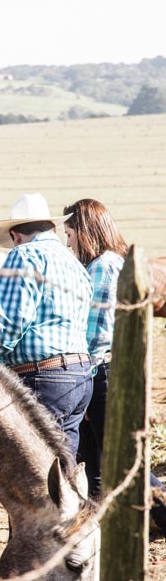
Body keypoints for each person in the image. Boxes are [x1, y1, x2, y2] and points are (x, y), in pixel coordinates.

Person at [0, 193, 94, 581]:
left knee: (30, 486)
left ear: (15, 233)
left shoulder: (21, 259)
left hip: (41, 377)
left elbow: (10, 322)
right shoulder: (72, 263)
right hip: (77, 375)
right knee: (65, 483)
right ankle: (66, 572)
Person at [63, 198, 166, 534]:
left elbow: (95, 335)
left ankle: (162, 512)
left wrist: (83, 385)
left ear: (85, 230)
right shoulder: (104, 264)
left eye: (71, 233)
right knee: (98, 458)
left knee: (121, 457)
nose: (69, 242)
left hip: (101, 373)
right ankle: (101, 526)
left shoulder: (104, 266)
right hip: (101, 372)